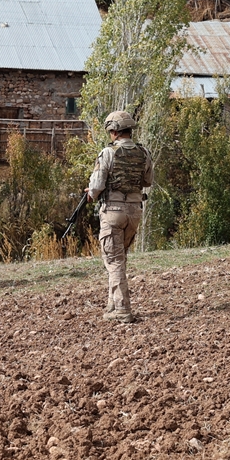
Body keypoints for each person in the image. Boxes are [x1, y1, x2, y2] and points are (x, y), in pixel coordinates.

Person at [86, 110, 153, 323]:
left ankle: (122, 309)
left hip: (113, 211)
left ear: (113, 131)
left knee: (113, 260)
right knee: (119, 258)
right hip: (135, 210)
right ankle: (112, 304)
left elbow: (96, 186)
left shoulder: (107, 153)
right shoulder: (144, 152)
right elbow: (148, 181)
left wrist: (91, 194)